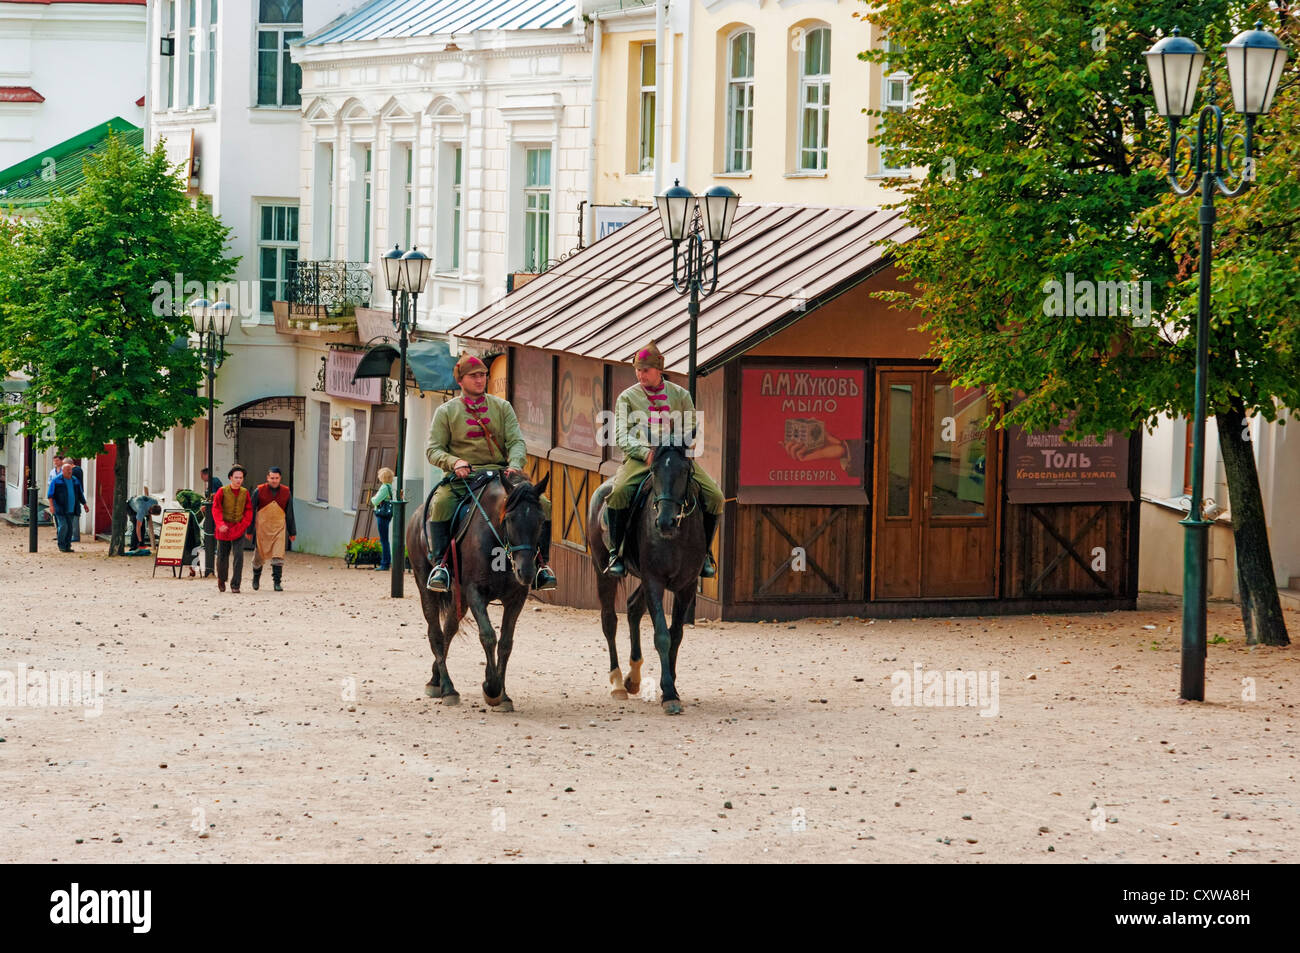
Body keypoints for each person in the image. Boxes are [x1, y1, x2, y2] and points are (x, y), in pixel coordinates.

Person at [425, 354, 556, 593]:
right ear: (461, 380)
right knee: (441, 503)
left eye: (483, 375)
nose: (480, 380)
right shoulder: (446, 412)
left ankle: (542, 565)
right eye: (473, 376)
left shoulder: (502, 407)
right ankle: (441, 566)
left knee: (543, 503)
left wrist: (515, 463)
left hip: (500, 474)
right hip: (464, 477)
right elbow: (433, 450)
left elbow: (516, 441)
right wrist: (454, 462)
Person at [604, 339, 724, 578]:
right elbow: (620, 435)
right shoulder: (626, 398)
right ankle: (615, 553)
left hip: (674, 457)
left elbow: (691, 426)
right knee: (618, 493)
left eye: (645, 370)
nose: (640, 375)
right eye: (638, 370)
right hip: (642, 459)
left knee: (715, 496)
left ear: (659, 369)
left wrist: (673, 447)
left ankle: (706, 555)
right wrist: (645, 452)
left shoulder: (680, 395)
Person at [249, 467, 296, 591]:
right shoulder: (259, 491)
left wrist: (292, 531)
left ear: (280, 478)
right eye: (272, 478)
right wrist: (249, 530)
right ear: (267, 478)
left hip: (279, 528)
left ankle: (277, 582)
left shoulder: (286, 492)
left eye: (276, 478)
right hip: (262, 529)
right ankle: (256, 578)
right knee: (259, 556)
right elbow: (251, 511)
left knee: (278, 555)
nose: (274, 480)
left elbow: (289, 512)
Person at [212, 465, 253, 593]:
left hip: (238, 528)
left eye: (240, 478)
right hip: (224, 527)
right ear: (230, 478)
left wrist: (244, 524)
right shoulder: (222, 491)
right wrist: (220, 524)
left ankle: (235, 584)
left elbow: (249, 510)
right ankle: (221, 578)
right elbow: (216, 508)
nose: (238, 480)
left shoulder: (245, 492)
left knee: (239, 556)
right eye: (236, 477)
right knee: (222, 556)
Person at [46, 460, 88, 553]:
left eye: (70, 469)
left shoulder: (75, 480)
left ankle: (67, 546)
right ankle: (61, 545)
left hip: (72, 508)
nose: (69, 471)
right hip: (60, 508)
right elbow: (50, 495)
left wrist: (84, 504)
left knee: (69, 528)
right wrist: (51, 506)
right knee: (63, 526)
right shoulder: (56, 481)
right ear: (63, 471)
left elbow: (80, 494)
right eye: (67, 470)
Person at [370, 467, 396, 571]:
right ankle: (385, 562)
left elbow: (375, 501)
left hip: (382, 515)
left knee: (384, 540)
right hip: (387, 515)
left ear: (382, 477)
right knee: (385, 540)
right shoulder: (389, 486)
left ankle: (385, 563)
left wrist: (372, 498)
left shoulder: (384, 487)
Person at [199, 467, 222, 577]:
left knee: (209, 527)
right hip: (213, 508)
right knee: (209, 527)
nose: (201, 478)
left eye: (201, 475)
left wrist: (207, 503)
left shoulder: (214, 481)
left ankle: (212, 548)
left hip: (215, 509)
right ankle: (211, 547)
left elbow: (214, 495)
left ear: (205, 474)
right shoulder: (213, 481)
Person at [127, 486, 161, 551]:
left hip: (139, 501)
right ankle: (133, 546)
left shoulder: (155, 502)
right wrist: (140, 541)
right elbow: (138, 528)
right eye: (152, 514)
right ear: (150, 511)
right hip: (131, 507)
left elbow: (147, 499)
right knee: (138, 526)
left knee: (143, 525)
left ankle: (141, 544)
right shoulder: (141, 510)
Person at [67, 457, 84, 542]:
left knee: (74, 516)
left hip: (74, 497)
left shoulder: (75, 471)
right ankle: (73, 535)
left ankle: (75, 536)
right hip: (76, 496)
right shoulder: (79, 470)